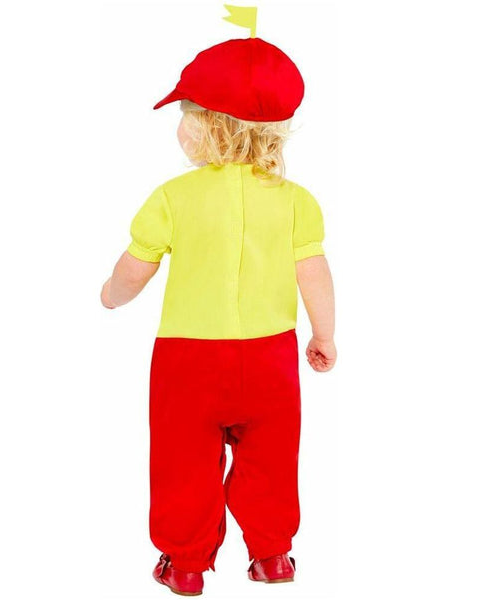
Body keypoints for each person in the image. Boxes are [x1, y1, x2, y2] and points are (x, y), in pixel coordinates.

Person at [101, 6, 336, 596]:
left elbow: (135, 268)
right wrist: (324, 334)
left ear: (209, 127)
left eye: (186, 115)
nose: (180, 128)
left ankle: (184, 564)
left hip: (188, 360)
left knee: (182, 462)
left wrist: (111, 296)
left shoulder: (172, 197)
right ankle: (272, 554)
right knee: (271, 461)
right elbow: (313, 272)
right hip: (270, 358)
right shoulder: (297, 200)